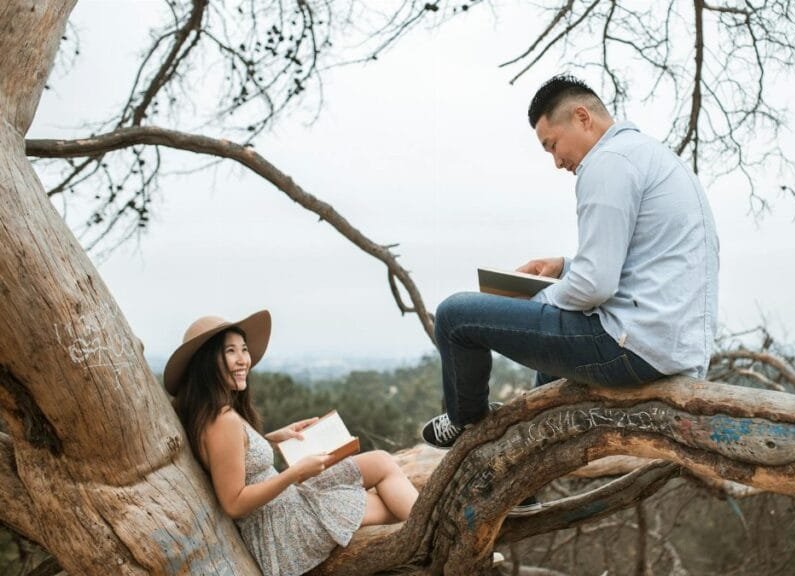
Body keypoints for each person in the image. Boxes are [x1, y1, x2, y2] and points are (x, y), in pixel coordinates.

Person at [421, 74, 719, 449]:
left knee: (455, 316)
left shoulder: (607, 163)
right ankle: (520, 482)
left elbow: (595, 286)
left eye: (552, 145)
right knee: (547, 377)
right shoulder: (648, 155)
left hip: (633, 348)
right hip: (672, 347)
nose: (557, 161)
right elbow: (640, 260)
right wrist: (564, 266)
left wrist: (533, 301)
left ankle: (465, 423)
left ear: (582, 117)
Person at [164, 310, 419, 576]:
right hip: (282, 529)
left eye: (244, 349)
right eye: (231, 351)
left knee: (381, 463)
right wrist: (295, 473)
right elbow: (234, 502)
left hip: (287, 504)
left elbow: (231, 458)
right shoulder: (222, 420)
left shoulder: (209, 413)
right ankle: (434, 540)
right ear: (207, 362)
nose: (243, 360)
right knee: (391, 501)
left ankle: (429, 533)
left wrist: (273, 439)